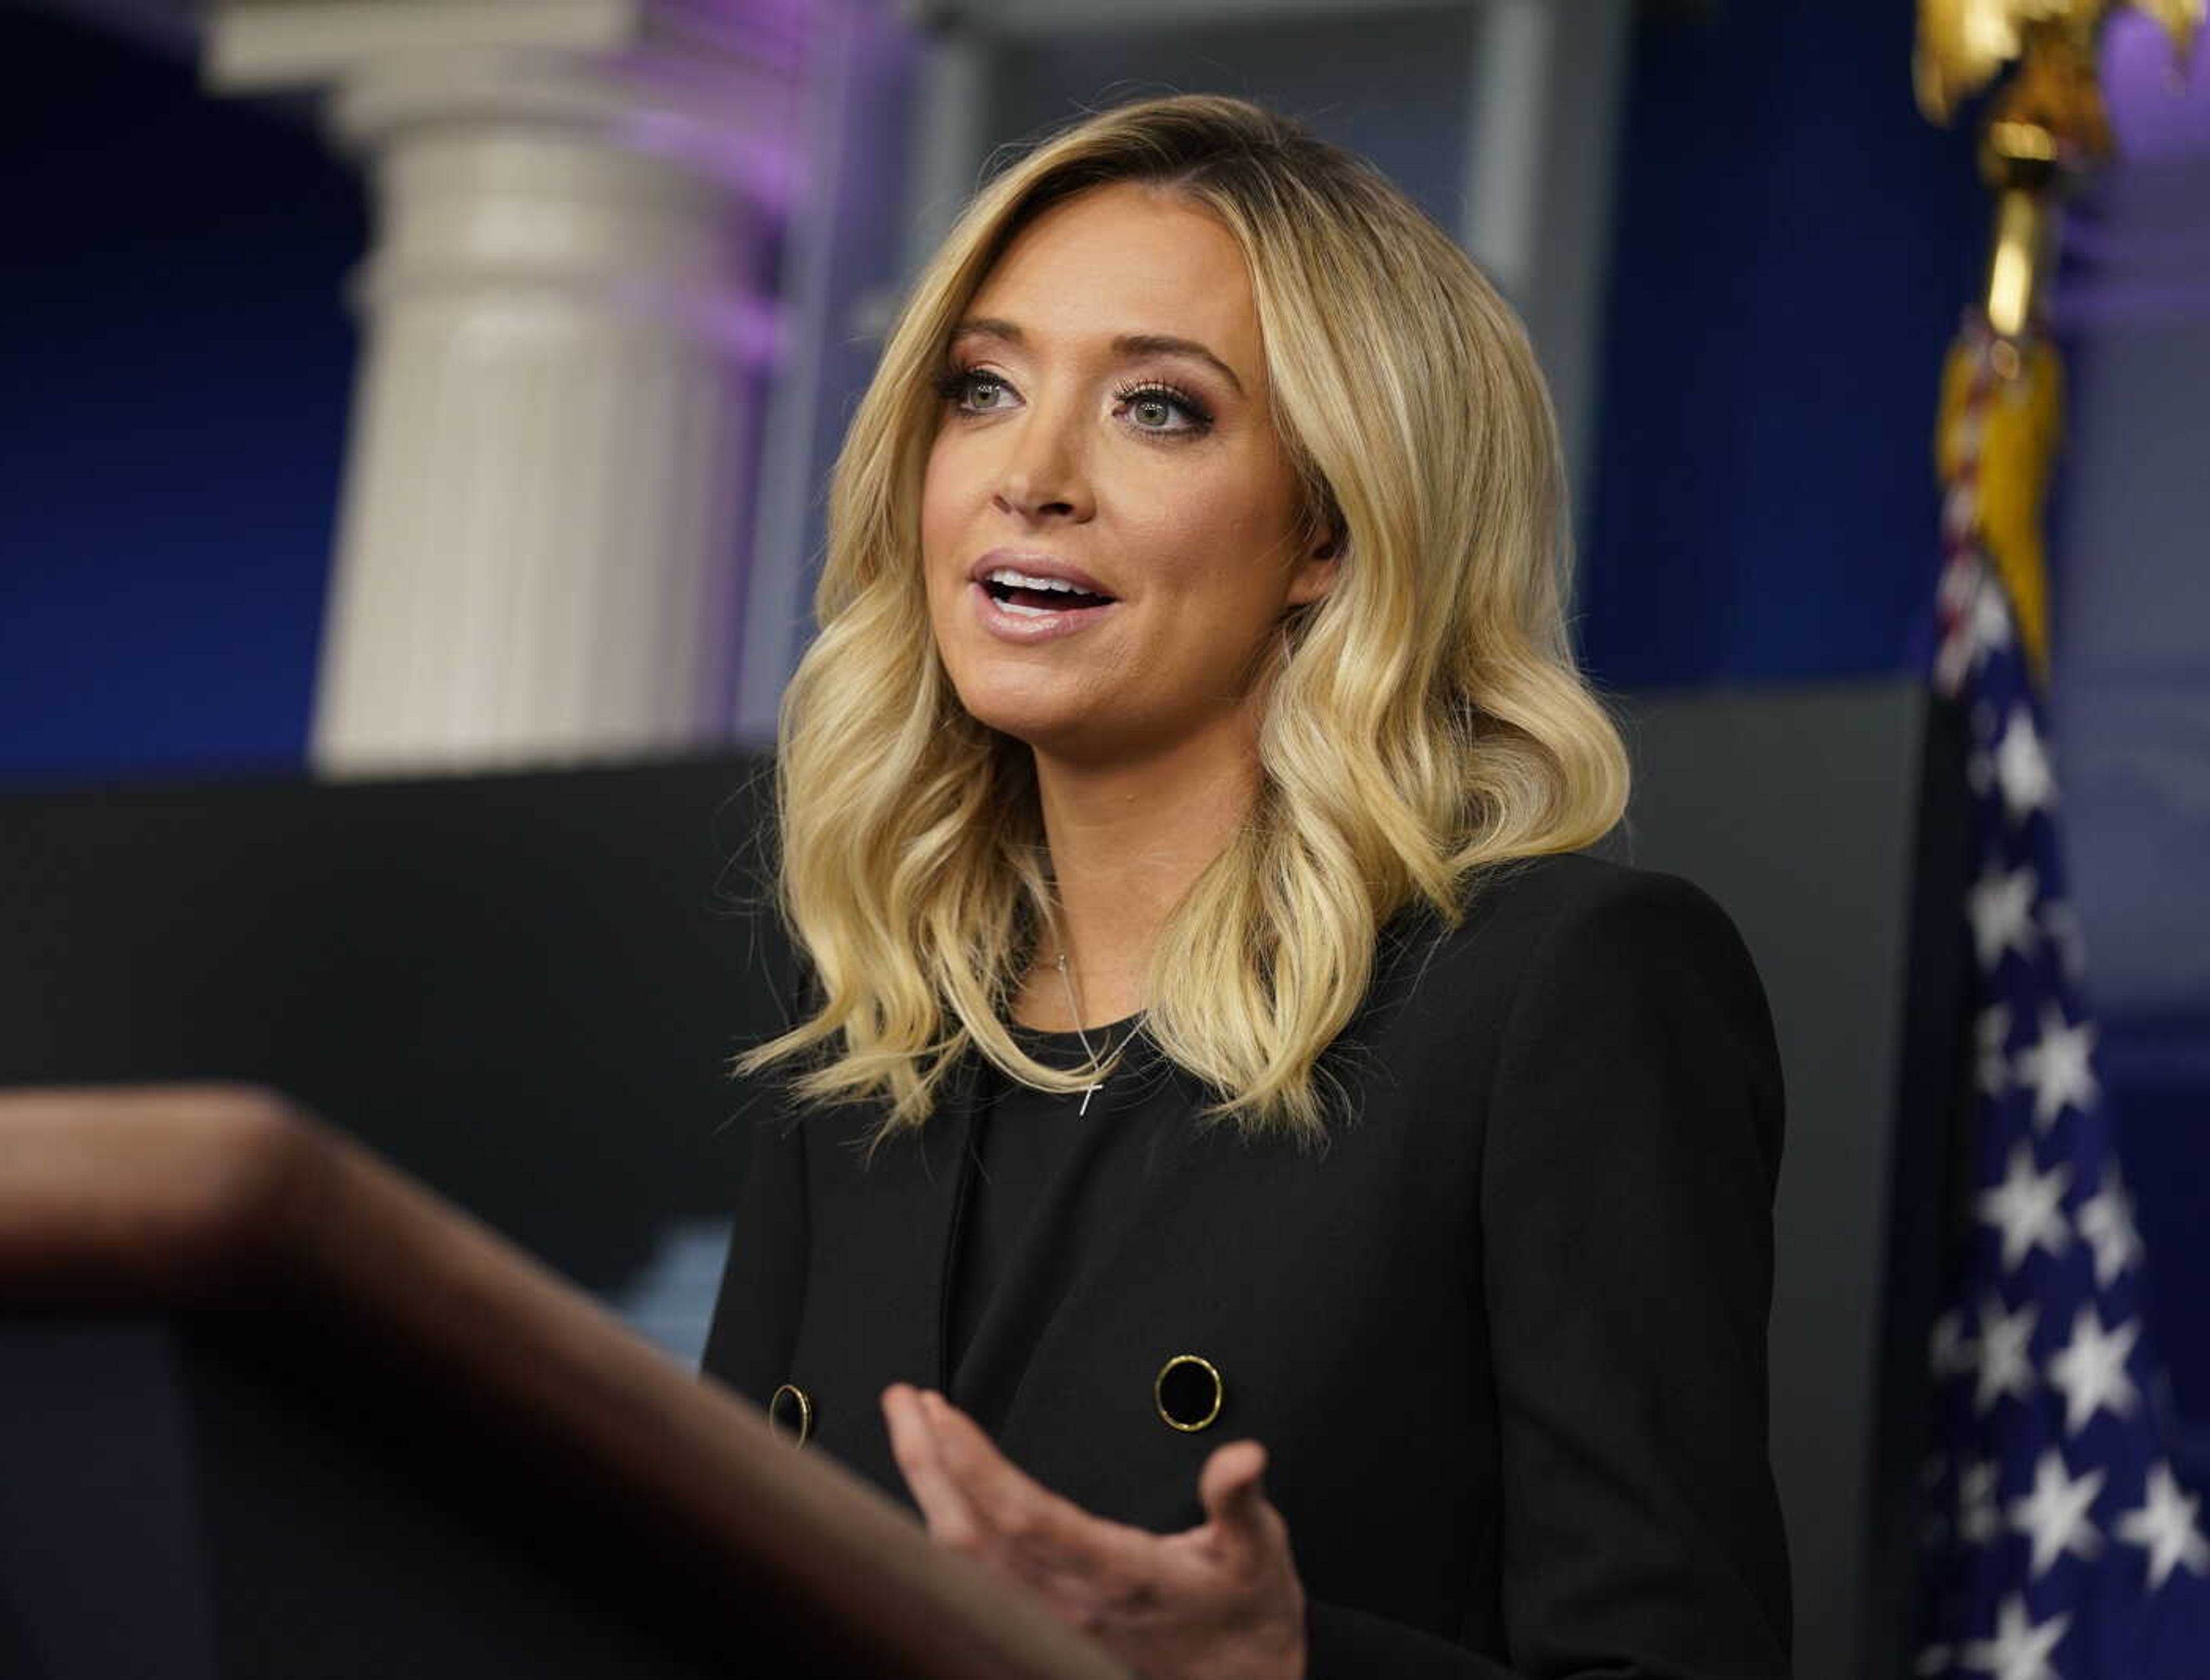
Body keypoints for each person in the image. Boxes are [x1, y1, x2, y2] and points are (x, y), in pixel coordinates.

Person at [702, 92, 1792, 1679]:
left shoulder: (1559, 988)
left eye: (1160, 409)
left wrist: (1282, 1666)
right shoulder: (873, 1033)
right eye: (982, 389)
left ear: (1333, 532)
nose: (1033, 474)